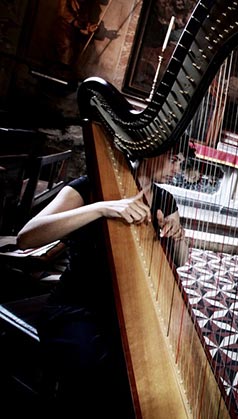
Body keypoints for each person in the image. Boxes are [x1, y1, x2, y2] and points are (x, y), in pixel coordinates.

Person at [16, 149, 188, 418]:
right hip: (76, 306)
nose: (177, 170)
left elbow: (182, 259)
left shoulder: (166, 199)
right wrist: (101, 208)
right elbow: (26, 238)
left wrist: (178, 237)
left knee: (152, 370)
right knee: (101, 367)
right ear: (150, 151)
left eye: (181, 163)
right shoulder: (89, 186)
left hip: (132, 310)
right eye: (174, 160)